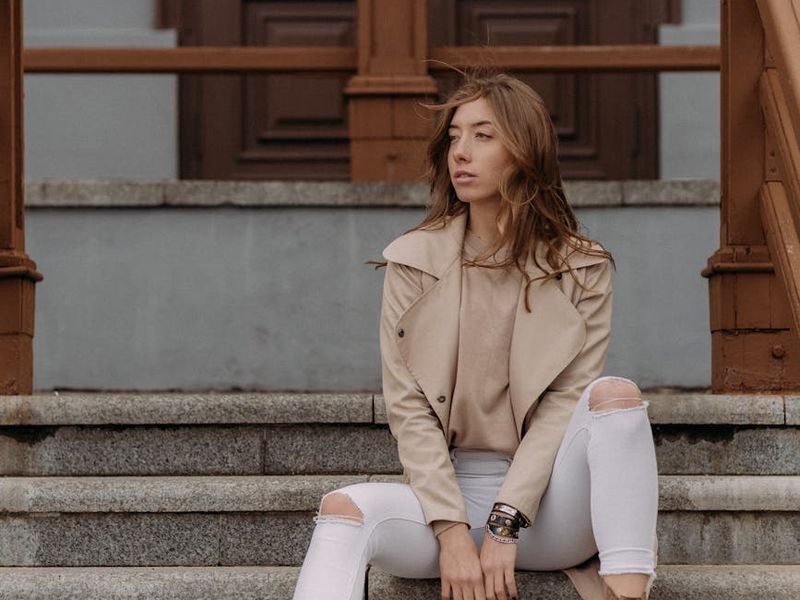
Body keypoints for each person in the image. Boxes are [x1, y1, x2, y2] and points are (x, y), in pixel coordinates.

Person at [292, 72, 659, 600]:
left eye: (483, 136)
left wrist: (506, 523)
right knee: (343, 510)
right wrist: (451, 531)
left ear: (525, 151)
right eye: (454, 137)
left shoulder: (580, 267)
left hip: (549, 505)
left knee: (614, 398)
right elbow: (408, 407)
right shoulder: (413, 261)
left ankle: (629, 591)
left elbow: (563, 403)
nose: (460, 152)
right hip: (446, 501)